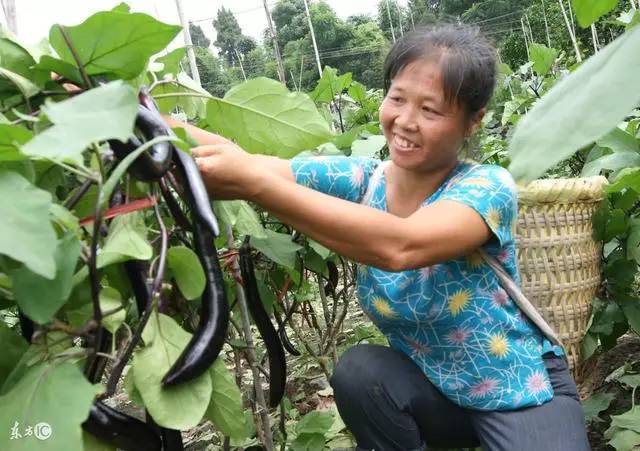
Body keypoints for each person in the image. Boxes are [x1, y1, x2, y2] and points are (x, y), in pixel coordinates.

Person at [166, 24, 590, 451]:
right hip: (432, 390)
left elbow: (401, 246)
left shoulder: (486, 187)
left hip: (516, 389)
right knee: (360, 371)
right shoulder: (364, 180)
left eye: (431, 109)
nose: (405, 121)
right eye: (398, 98)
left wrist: (254, 186)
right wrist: (141, 114)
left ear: (472, 122)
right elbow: (248, 162)